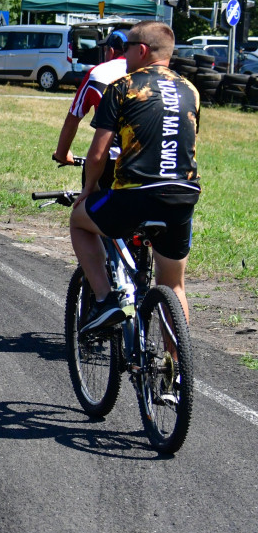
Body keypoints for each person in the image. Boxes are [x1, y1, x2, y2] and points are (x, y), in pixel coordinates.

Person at [70, 21, 201, 331]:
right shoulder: (191, 90)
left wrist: (88, 191)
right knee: (174, 286)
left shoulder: (123, 86)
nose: (123, 54)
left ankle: (105, 299)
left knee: (79, 220)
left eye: (127, 47)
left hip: (135, 196)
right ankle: (177, 370)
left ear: (141, 51)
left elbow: (99, 153)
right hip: (182, 196)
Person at [53, 30, 128, 167]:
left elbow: (73, 118)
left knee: (92, 185)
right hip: (144, 160)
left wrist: (62, 154)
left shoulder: (97, 73)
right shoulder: (147, 74)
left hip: (108, 158)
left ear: (110, 51)